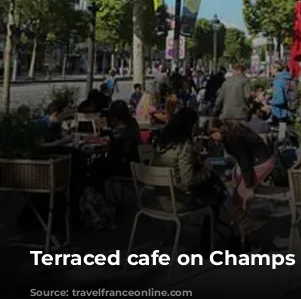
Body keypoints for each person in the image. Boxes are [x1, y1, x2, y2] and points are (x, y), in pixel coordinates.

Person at [153, 108, 227, 251]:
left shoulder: (161, 141)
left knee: (211, 191)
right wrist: (206, 170)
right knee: (215, 198)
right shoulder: (184, 145)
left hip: (158, 196)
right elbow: (188, 179)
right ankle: (206, 244)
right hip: (178, 200)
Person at [209, 119, 274, 243]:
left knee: (238, 198)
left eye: (213, 133)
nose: (213, 137)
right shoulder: (234, 131)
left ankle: (247, 233)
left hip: (259, 162)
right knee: (238, 194)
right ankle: (245, 225)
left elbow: (244, 161)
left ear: (220, 128)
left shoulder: (232, 139)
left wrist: (249, 186)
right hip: (263, 159)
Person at [105, 100, 141, 178]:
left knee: (96, 165)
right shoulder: (133, 123)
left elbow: (112, 156)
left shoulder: (120, 132)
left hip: (124, 168)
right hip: (136, 165)